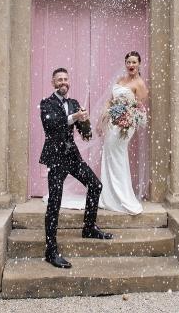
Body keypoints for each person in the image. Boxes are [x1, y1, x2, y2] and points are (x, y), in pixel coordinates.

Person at [39, 67, 113, 269]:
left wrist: (86, 120)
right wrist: (73, 118)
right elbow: (52, 125)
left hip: (72, 156)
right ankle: (50, 250)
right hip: (55, 158)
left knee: (95, 186)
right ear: (53, 83)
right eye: (59, 80)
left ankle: (89, 228)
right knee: (54, 202)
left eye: (65, 79)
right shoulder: (47, 104)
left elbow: (86, 135)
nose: (63, 82)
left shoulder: (74, 104)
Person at [98, 51, 148, 215]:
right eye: (128, 62)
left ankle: (122, 197)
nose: (131, 65)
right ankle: (109, 195)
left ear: (139, 64)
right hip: (113, 124)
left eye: (134, 62)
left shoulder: (140, 84)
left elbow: (139, 109)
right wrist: (104, 115)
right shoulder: (120, 80)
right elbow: (110, 101)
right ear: (125, 63)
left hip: (125, 126)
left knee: (118, 157)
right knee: (109, 154)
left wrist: (127, 119)